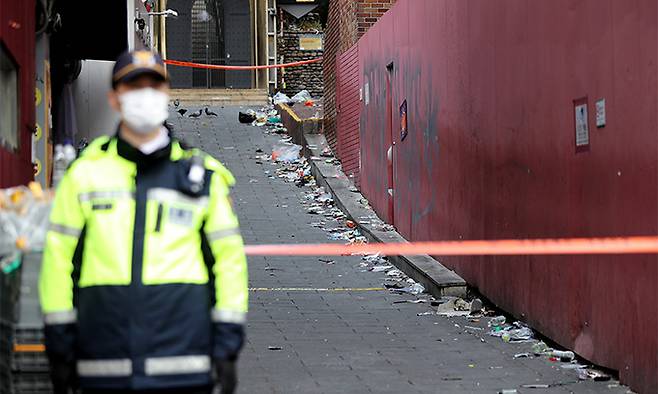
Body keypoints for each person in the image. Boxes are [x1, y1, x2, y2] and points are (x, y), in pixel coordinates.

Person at [39, 50, 248, 394]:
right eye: (133, 86)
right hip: (103, 364)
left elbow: (229, 262)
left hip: (184, 364)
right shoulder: (85, 176)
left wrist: (227, 343)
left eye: (154, 85)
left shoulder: (202, 178)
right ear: (114, 98)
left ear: (166, 94)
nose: (144, 95)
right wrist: (59, 345)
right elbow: (58, 260)